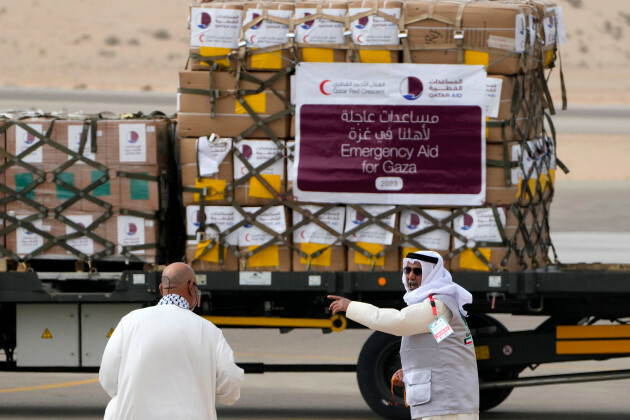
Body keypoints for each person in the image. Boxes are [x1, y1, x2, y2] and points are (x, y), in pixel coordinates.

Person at [328, 251, 479, 420]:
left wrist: (351, 307)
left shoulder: (438, 305)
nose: (411, 276)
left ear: (431, 273)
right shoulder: (439, 305)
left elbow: (400, 322)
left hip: (448, 405)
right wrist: (409, 372)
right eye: (407, 270)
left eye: (417, 271)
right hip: (444, 403)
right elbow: (441, 350)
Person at [99, 262, 244, 420]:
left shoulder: (130, 321)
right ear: (192, 287)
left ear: (162, 289)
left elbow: (108, 379)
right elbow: (230, 388)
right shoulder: (209, 331)